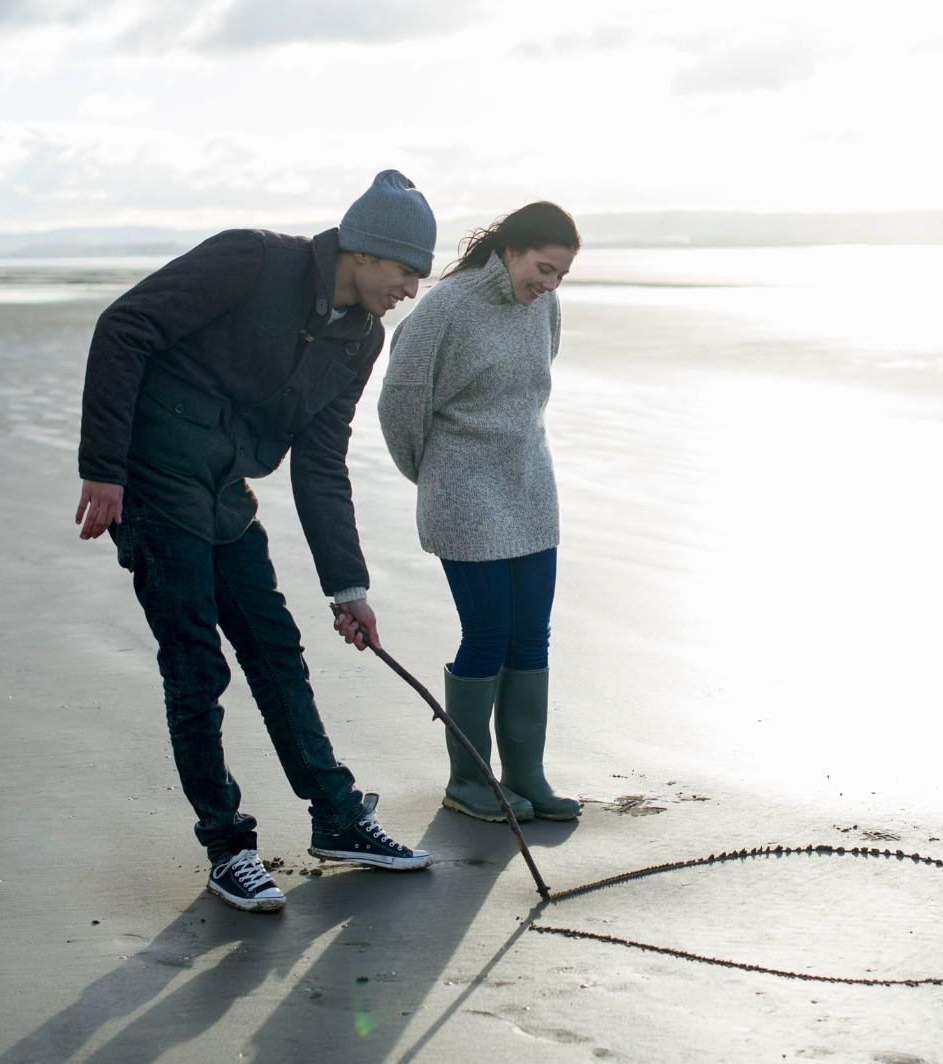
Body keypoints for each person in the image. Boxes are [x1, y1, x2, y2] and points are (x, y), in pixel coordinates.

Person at [75, 170, 435, 913]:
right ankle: (229, 848)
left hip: (225, 496)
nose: (411, 288)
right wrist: (103, 469)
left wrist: (348, 588)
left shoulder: (358, 339)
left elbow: (321, 463)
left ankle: (337, 818)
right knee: (195, 668)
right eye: (406, 271)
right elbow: (125, 327)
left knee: (274, 649)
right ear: (365, 252)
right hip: (154, 480)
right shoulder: (250, 261)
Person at [377, 201, 582, 823]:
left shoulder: (543, 306)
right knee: (488, 633)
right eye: (543, 269)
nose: (548, 286)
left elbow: (534, 387)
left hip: (529, 488)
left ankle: (528, 776)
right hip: (463, 494)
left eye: (560, 276)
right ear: (511, 250)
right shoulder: (444, 308)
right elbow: (399, 408)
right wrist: (436, 477)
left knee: (531, 634)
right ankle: (469, 781)